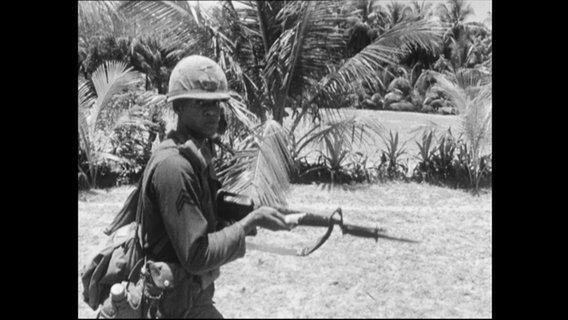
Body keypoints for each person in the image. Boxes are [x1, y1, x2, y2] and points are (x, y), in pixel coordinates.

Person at [138, 55, 292, 318]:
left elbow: (208, 204)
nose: (212, 111)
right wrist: (247, 223)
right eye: (200, 103)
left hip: (186, 298)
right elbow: (196, 256)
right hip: (171, 307)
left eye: (216, 103)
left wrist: (243, 211)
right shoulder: (175, 167)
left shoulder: (196, 155)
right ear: (178, 107)